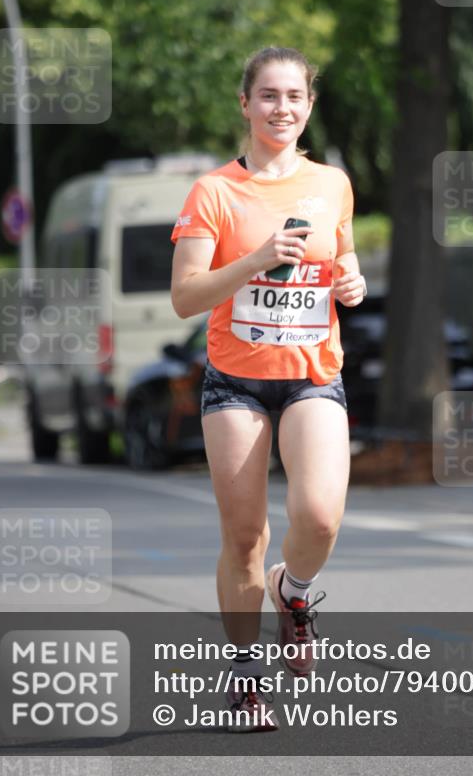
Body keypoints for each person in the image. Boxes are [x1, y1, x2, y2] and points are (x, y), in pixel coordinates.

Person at [170, 46, 366, 732]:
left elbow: (341, 256)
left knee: (318, 517)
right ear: (245, 103)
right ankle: (246, 676)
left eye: (294, 96)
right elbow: (185, 298)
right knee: (245, 535)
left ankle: (296, 591)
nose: (281, 108)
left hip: (313, 374)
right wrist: (255, 259)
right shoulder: (214, 192)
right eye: (268, 96)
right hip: (236, 384)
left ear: (308, 105)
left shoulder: (331, 183)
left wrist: (352, 281)